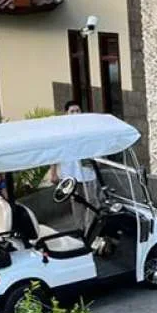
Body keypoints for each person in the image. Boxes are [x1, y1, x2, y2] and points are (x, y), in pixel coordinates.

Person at [51, 100, 101, 234]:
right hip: (70, 173)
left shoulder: (87, 129)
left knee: (92, 201)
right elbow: (55, 153)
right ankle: (80, 229)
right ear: (66, 113)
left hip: (87, 172)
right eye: (72, 111)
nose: (75, 113)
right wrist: (53, 173)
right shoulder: (61, 132)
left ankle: (90, 229)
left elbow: (96, 148)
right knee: (77, 202)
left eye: (77, 111)